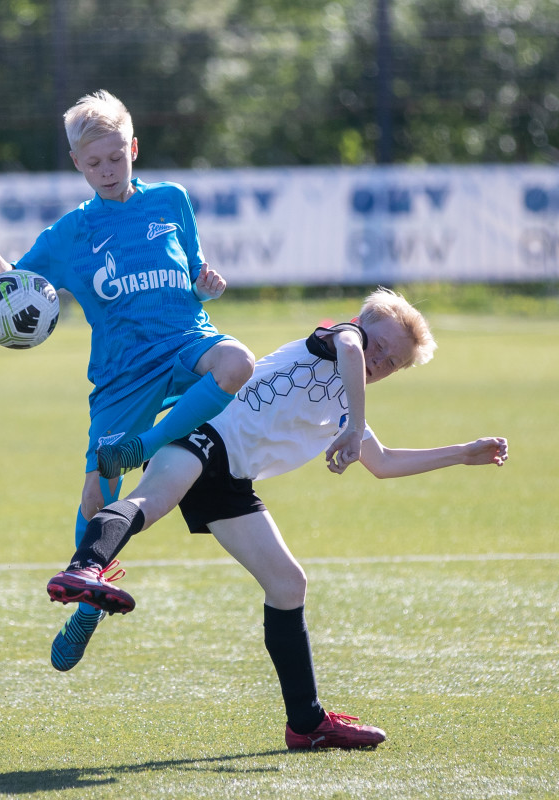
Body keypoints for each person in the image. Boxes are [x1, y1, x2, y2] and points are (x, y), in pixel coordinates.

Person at [45, 287, 509, 750]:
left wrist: (463, 454)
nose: (378, 360)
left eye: (391, 362)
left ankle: (307, 724)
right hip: (203, 432)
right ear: (360, 324)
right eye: (378, 344)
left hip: (231, 477)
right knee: (150, 502)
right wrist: (351, 422)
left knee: (288, 585)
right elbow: (350, 348)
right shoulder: (337, 339)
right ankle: (84, 568)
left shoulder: (350, 404)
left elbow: (383, 462)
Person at [0, 89, 254, 672]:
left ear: (133, 148)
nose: (107, 171)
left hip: (187, 341)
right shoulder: (70, 234)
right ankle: (87, 605)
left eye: (116, 158)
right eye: (94, 163)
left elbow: (192, 275)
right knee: (98, 498)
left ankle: (140, 447)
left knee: (238, 362)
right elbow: (16, 290)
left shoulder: (172, 201)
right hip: (122, 373)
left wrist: (207, 285)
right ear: (76, 164)